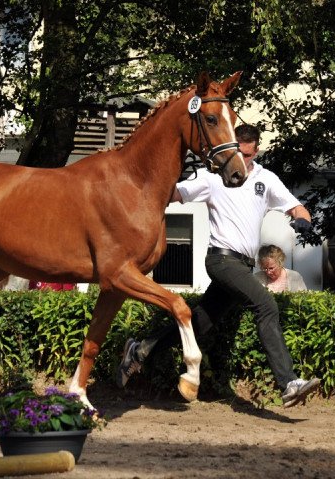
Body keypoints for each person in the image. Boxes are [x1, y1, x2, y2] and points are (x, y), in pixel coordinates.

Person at [116, 124, 320, 408]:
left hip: (242, 265)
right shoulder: (212, 177)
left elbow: (297, 207)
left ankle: (140, 350)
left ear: (256, 151)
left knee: (200, 323)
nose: (242, 161)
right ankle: (289, 383)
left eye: (248, 156)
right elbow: (174, 193)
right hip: (221, 260)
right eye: (238, 153)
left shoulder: (266, 178)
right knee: (265, 305)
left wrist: (302, 220)